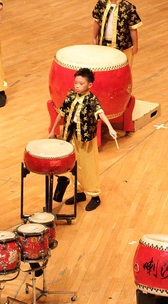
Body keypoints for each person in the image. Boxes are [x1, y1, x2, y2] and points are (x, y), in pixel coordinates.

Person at [48, 68, 117, 212]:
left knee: (88, 167)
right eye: (76, 83)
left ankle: (94, 195)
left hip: (86, 139)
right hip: (71, 136)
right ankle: (79, 192)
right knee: (74, 165)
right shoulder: (71, 96)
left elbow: (100, 113)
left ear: (89, 85)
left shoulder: (91, 100)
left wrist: (110, 128)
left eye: (81, 84)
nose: (77, 86)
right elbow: (61, 113)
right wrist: (53, 130)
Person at [92, 0, 142, 66]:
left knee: (122, 71)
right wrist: (94, 38)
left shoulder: (129, 8)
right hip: (104, 45)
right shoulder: (101, 3)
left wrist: (135, 45)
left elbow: (133, 29)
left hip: (123, 47)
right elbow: (97, 22)